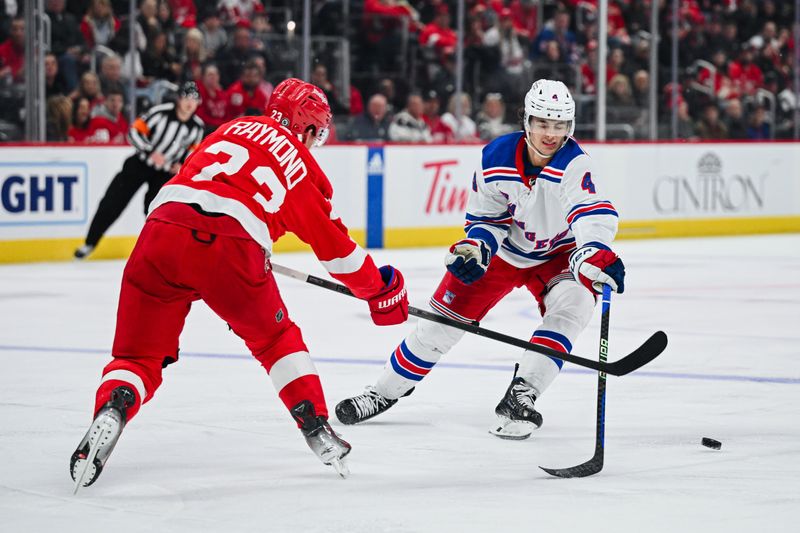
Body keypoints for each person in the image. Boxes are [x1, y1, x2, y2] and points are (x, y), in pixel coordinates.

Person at [69, 78, 409, 489]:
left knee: (137, 356)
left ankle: (114, 406)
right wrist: (381, 289)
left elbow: (204, 188)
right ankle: (316, 425)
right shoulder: (300, 162)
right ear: (305, 126)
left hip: (161, 231)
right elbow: (338, 253)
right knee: (275, 339)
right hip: (230, 249)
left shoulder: (229, 128)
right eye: (316, 131)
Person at [335, 80, 625, 441]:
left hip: (556, 255)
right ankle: (383, 391)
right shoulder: (496, 157)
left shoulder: (575, 164)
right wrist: (475, 251)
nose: (551, 134)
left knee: (576, 303)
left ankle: (522, 394)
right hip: (505, 253)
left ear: (571, 126)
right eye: (542, 123)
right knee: (439, 326)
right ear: (526, 121)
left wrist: (594, 252)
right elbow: (487, 219)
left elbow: (590, 212)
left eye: (560, 125)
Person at [74, 82, 204, 259]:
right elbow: (134, 132)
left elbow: (193, 152)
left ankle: (157, 250)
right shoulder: (161, 112)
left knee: (157, 211)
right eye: (187, 98)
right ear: (179, 99)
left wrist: (182, 165)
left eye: (194, 100)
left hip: (164, 174)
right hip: (139, 165)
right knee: (113, 202)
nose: (190, 103)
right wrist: (150, 151)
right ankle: (90, 242)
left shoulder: (197, 126)